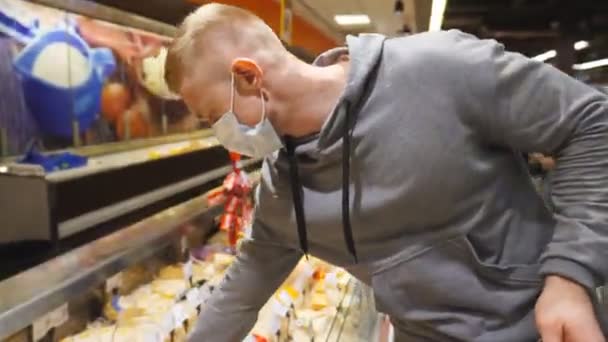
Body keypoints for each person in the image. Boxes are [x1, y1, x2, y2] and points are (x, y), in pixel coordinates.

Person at [165, 4, 608, 341]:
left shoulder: (440, 69)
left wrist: (570, 275)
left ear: (247, 76)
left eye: (212, 116)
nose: (221, 135)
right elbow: (240, 294)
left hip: (542, 328)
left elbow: (591, 124)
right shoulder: (283, 192)